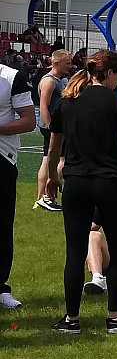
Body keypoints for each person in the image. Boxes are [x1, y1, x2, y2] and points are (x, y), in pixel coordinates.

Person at [46, 48, 117, 334]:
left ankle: (70, 319)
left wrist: (52, 179)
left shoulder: (67, 102)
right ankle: (115, 316)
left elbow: (54, 149)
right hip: (109, 181)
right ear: (110, 72)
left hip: (75, 181)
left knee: (74, 251)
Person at [0, 57, 36, 310]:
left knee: (2, 226)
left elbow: (28, 121)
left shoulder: (12, 77)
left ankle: (0, 287)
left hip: (2, 157)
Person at [34, 48, 73, 212]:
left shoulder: (58, 80)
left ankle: (41, 198)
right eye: (67, 63)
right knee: (59, 160)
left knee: (47, 159)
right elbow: (43, 106)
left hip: (53, 126)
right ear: (56, 63)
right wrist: (51, 127)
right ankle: (48, 196)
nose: (69, 66)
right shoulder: (49, 81)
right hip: (51, 127)